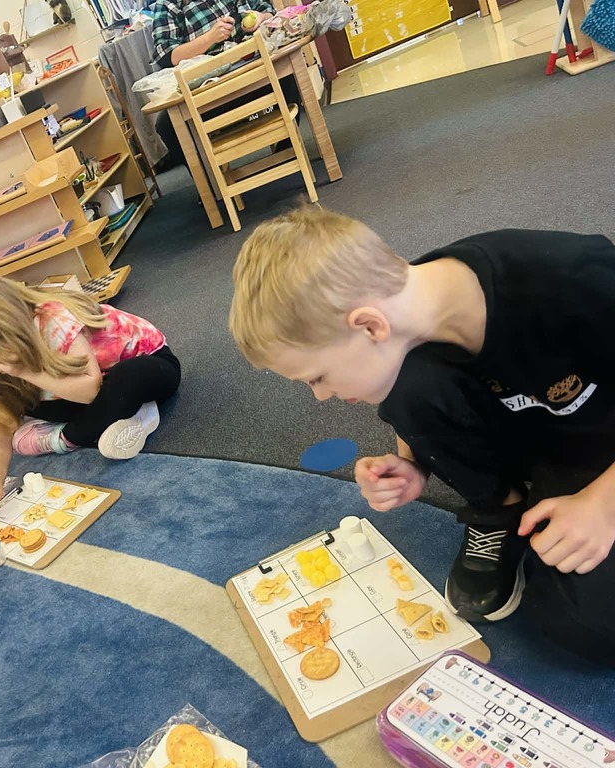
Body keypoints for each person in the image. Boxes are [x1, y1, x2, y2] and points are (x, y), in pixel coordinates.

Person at [229, 205, 615, 666]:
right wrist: (417, 463)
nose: (320, 396)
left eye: (317, 377)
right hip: (542, 434)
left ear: (369, 325)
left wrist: (602, 505)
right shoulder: (409, 317)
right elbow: (423, 396)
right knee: (406, 381)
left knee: (587, 625)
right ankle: (500, 511)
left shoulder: (571, 279)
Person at [0, 273, 181, 509]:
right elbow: (2, 426)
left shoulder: (53, 320)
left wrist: (23, 372)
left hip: (149, 367)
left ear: (2, 331)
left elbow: (90, 391)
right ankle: (115, 418)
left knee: (128, 377)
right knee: (27, 400)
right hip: (86, 387)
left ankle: (78, 434)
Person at [151, 1, 298, 167]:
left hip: (253, 73)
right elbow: (167, 56)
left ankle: (287, 150)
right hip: (207, 92)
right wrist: (208, 39)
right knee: (167, 124)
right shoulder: (167, 6)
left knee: (285, 67)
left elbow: (269, 10)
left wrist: (261, 17)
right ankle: (211, 183)